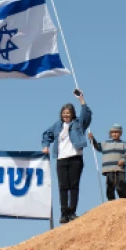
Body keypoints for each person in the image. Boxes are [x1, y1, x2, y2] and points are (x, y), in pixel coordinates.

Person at [42, 91, 92, 223]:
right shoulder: (57, 125)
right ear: (61, 114)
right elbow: (46, 135)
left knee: (74, 186)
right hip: (61, 159)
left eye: (68, 113)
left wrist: (82, 100)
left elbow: (86, 115)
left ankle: (72, 212)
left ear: (72, 114)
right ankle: (64, 214)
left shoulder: (78, 124)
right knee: (63, 186)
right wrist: (46, 146)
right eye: (64, 113)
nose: (66, 115)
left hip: (75, 158)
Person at [88, 124, 126, 201]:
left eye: (117, 132)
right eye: (113, 132)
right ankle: (111, 201)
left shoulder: (123, 144)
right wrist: (92, 139)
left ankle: (125, 200)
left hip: (119, 168)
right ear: (110, 133)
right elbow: (97, 146)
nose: (115, 134)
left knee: (121, 185)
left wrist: (123, 160)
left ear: (120, 133)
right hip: (109, 169)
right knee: (110, 186)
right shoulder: (105, 143)